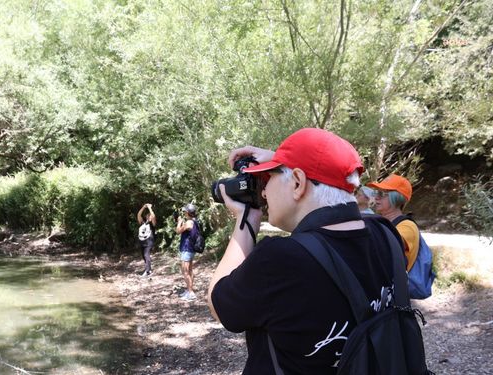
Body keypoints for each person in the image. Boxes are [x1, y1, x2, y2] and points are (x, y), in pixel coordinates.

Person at [208, 128, 406, 374]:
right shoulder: (386, 234)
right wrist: (283, 161)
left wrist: (246, 220)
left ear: (298, 183)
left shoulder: (281, 260)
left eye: (269, 179)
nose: (264, 192)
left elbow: (219, 304)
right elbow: (333, 178)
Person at [367, 174, 419, 272]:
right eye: (377, 193)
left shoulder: (408, 226)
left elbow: (387, 246)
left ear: (396, 198)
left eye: (382, 194)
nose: (377, 197)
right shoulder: (380, 221)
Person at [175, 203, 198, 301]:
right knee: (189, 270)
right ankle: (189, 290)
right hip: (191, 249)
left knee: (185, 271)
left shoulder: (188, 223)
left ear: (188, 212)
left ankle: (191, 293)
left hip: (187, 249)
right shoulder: (194, 221)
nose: (184, 213)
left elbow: (178, 231)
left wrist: (179, 222)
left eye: (185, 211)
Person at [137, 203, 157, 277]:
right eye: (148, 215)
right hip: (142, 242)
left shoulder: (152, 224)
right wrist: (143, 207)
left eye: (150, 216)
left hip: (149, 242)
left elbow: (154, 216)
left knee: (146, 255)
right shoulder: (143, 223)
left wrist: (149, 208)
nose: (149, 216)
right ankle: (148, 269)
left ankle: (148, 271)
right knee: (144, 256)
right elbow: (138, 215)